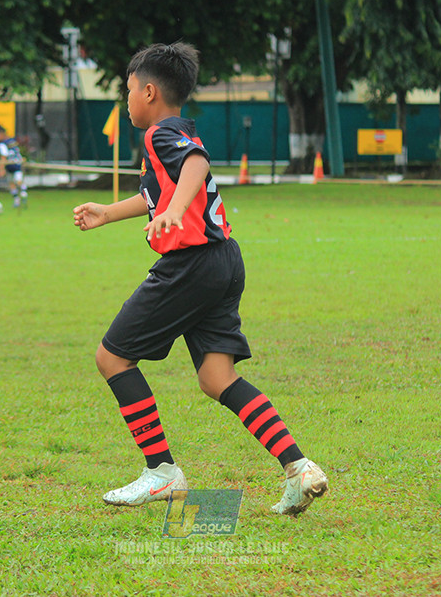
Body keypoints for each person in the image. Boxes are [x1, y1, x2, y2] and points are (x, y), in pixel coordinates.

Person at [72, 43, 327, 515]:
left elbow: (196, 165)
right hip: (223, 261)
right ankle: (299, 467)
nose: (126, 100)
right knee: (216, 377)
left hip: (189, 266)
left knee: (112, 358)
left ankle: (162, 472)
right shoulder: (173, 132)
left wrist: (172, 209)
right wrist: (110, 212)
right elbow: (158, 194)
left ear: (148, 92)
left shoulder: (160, 134)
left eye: (128, 91)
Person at [0, 125, 28, 208]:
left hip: (11, 165)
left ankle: (18, 197)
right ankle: (23, 193)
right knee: (17, 181)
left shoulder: (3, 144)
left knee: (12, 183)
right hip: (18, 163)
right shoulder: (13, 141)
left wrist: (1, 169)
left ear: (1, 134)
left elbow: (3, 157)